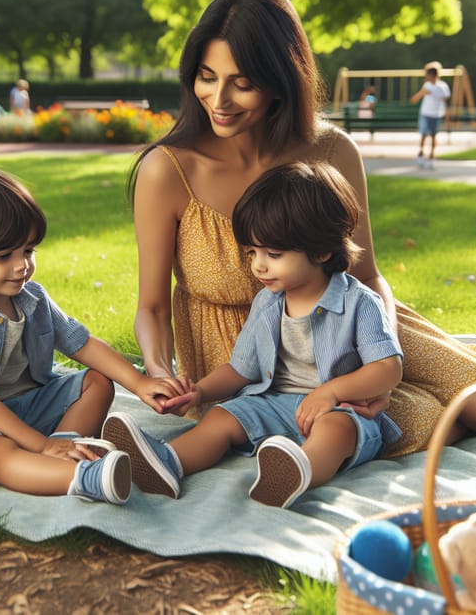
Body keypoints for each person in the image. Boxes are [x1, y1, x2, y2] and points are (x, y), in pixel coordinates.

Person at [128, 0, 476, 457]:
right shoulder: (167, 170)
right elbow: (151, 307)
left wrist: (382, 354)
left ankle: (472, 363)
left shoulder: (331, 150)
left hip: (349, 324)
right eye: (206, 76)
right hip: (241, 359)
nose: (219, 99)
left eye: (242, 83)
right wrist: (158, 367)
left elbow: (367, 273)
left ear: (281, 80)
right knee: (417, 422)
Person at [104, 162, 404, 508]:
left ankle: (297, 470)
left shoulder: (359, 302)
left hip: (340, 409)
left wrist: (331, 392)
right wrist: (199, 392)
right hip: (274, 403)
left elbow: (388, 368)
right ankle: (167, 462)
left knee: (336, 432)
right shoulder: (267, 302)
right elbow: (241, 369)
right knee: (223, 416)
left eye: (273, 255)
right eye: (253, 253)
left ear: (322, 251)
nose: (258, 266)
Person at [0, 167, 189, 503]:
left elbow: (83, 343)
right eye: (4, 256)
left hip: (24, 406)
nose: (22, 266)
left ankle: (69, 444)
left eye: (28, 251)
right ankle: (84, 477)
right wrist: (41, 444)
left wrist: (139, 383)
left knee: (97, 381)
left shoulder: (32, 298)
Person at [409, 62, 451, 169]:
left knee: (433, 135)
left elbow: (445, 98)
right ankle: (421, 154)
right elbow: (416, 98)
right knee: (423, 134)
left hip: (436, 114)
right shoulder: (427, 86)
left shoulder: (442, 86)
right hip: (425, 113)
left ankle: (431, 156)